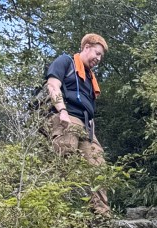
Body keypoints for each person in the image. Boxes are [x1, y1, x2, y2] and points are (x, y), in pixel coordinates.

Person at [44, 34, 111, 216]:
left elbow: (90, 109)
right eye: (96, 53)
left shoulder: (90, 79)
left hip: (86, 124)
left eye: (100, 56)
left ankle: (100, 214)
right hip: (66, 116)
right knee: (65, 157)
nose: (98, 59)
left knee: (98, 166)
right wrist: (62, 111)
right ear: (86, 47)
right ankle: (56, 210)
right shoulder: (66, 61)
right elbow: (53, 86)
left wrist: (92, 133)